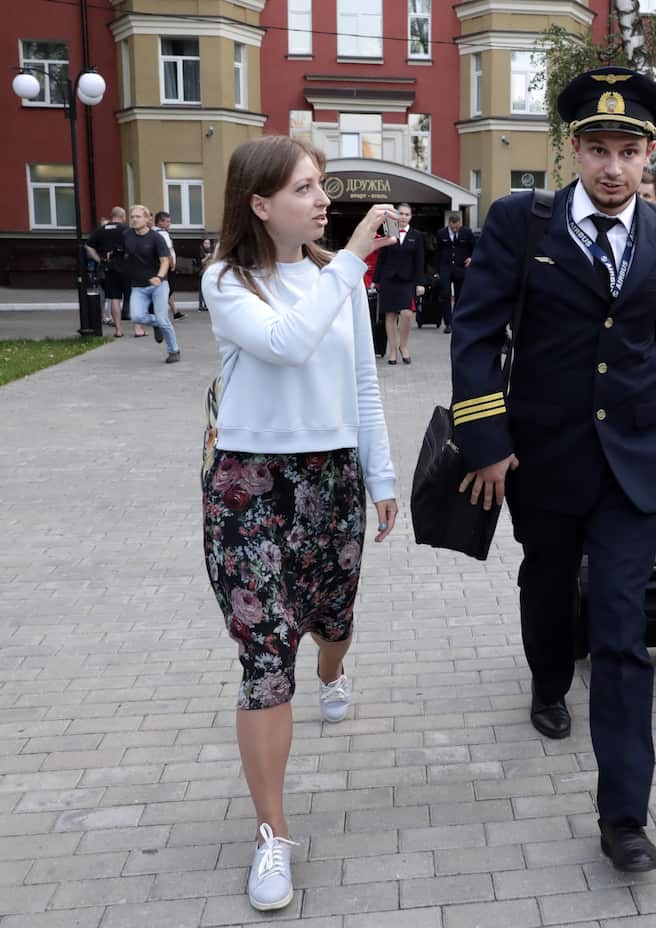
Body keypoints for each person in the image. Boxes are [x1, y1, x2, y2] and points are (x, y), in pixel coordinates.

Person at [450, 66, 656, 873]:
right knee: (548, 583)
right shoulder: (524, 222)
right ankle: (548, 680)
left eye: (628, 150)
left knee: (623, 635)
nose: (613, 167)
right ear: (574, 149)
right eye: (597, 148)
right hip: (544, 455)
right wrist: (486, 437)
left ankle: (624, 815)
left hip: (633, 463)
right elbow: (475, 333)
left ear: (648, 153)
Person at [201, 135, 399, 912]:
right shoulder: (225, 279)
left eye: (322, 188)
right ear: (260, 203)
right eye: (306, 189)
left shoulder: (334, 278)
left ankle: (333, 670)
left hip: (331, 482)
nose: (322, 202)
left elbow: (361, 381)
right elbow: (285, 345)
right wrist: (352, 256)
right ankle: (272, 838)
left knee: (330, 620)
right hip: (248, 487)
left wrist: (380, 476)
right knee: (264, 655)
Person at [122, 205, 180, 362]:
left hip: (159, 285)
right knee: (136, 316)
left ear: (147, 219)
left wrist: (159, 277)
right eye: (132, 216)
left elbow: (165, 261)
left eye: (138, 216)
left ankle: (173, 350)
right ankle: (157, 323)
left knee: (163, 319)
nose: (134, 219)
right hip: (138, 286)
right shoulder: (127, 235)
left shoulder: (156, 238)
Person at [373, 202, 427, 364]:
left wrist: (420, 283)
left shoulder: (417, 235)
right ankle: (392, 351)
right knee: (390, 315)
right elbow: (382, 256)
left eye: (406, 214)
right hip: (388, 278)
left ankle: (403, 346)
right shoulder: (390, 229)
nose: (403, 217)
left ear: (411, 217)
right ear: (396, 215)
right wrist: (376, 280)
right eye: (401, 214)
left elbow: (420, 260)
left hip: (407, 280)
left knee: (407, 314)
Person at [85, 207, 130, 337]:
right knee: (132, 297)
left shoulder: (101, 230)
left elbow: (88, 245)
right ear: (122, 216)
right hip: (126, 266)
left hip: (108, 267)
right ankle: (138, 329)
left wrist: (99, 260)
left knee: (114, 298)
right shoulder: (126, 229)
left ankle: (118, 330)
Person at [434, 211, 474, 333]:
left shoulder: (467, 232)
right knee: (445, 294)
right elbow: (437, 252)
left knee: (460, 295)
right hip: (445, 267)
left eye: (457, 227)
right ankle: (448, 323)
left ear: (460, 224)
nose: (455, 229)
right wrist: (436, 270)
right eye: (453, 227)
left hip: (461, 267)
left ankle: (457, 321)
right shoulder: (441, 233)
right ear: (449, 223)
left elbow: (475, 247)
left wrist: (472, 258)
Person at [154, 211, 185, 319]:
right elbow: (167, 251)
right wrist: (172, 265)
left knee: (167, 289)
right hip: (167, 266)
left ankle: (175, 311)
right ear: (160, 222)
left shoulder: (154, 232)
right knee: (167, 289)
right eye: (167, 222)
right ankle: (156, 312)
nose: (169, 224)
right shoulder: (163, 234)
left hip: (159, 265)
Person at [198, 238, 215, 311]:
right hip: (202, 273)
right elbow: (200, 262)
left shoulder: (212, 252)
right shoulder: (201, 252)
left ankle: (207, 305)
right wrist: (207, 257)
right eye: (205, 243)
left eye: (208, 243)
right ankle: (201, 305)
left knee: (209, 289)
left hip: (210, 274)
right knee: (202, 290)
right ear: (203, 244)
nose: (207, 245)